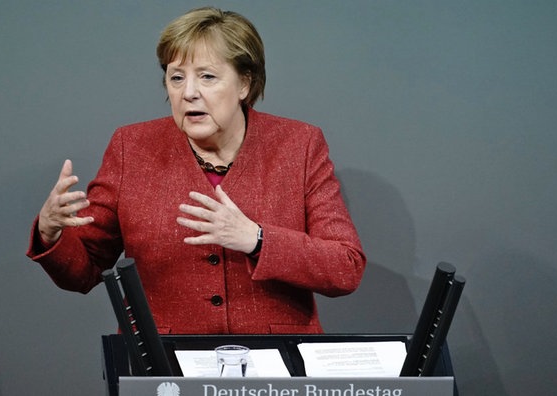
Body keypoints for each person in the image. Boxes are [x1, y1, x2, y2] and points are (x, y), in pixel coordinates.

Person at [27, 7, 366, 335]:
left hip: (275, 362)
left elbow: (344, 266)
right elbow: (84, 270)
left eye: (207, 76)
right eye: (176, 77)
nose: (188, 92)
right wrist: (51, 232)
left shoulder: (299, 145)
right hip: (164, 364)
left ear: (245, 84)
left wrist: (257, 239)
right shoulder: (132, 147)